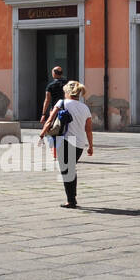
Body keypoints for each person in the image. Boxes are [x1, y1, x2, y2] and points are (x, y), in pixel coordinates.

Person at [38, 80, 94, 208]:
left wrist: (42, 135)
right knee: (71, 170)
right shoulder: (85, 108)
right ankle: (72, 198)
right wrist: (90, 146)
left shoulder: (62, 103)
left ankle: (71, 200)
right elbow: (88, 129)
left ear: (68, 92)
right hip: (80, 144)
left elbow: (49, 120)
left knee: (66, 171)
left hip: (65, 141)